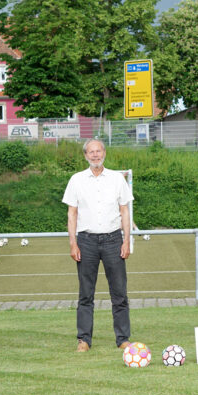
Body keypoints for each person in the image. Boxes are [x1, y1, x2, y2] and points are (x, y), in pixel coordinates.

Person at [62, 139, 133, 352]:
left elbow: (125, 211)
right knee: (86, 294)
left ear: (104, 153)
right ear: (85, 155)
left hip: (113, 240)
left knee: (119, 293)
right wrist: (73, 243)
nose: (95, 155)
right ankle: (84, 340)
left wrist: (127, 240)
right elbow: (72, 213)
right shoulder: (76, 180)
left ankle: (122, 339)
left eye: (98, 151)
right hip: (86, 241)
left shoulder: (117, 179)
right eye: (91, 152)